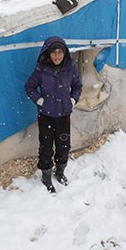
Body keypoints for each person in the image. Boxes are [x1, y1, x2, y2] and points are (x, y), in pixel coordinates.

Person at [25, 36, 82, 193]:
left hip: (64, 115)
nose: (57, 56)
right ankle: (46, 176)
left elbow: (77, 85)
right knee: (46, 148)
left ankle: (60, 171)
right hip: (46, 116)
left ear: (64, 53)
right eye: (54, 53)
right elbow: (29, 87)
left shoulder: (70, 69)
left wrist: (72, 100)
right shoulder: (41, 70)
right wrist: (40, 100)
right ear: (48, 54)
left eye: (60, 52)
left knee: (64, 146)